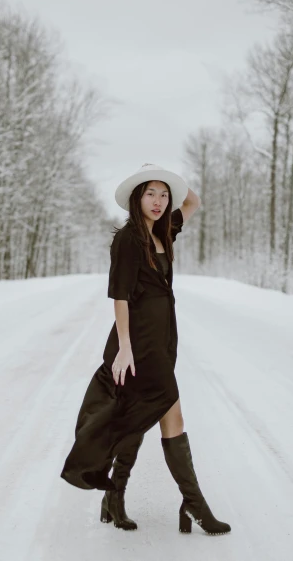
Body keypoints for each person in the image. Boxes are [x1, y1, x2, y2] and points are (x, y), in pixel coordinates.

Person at [60, 162, 231, 536]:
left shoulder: (163, 232)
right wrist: (124, 348)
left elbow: (195, 201)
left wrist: (169, 177)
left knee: (141, 415)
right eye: (150, 193)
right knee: (170, 414)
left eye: (163, 194)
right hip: (137, 345)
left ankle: (116, 496)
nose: (158, 201)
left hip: (162, 341)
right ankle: (194, 506)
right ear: (137, 198)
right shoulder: (128, 240)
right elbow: (120, 297)